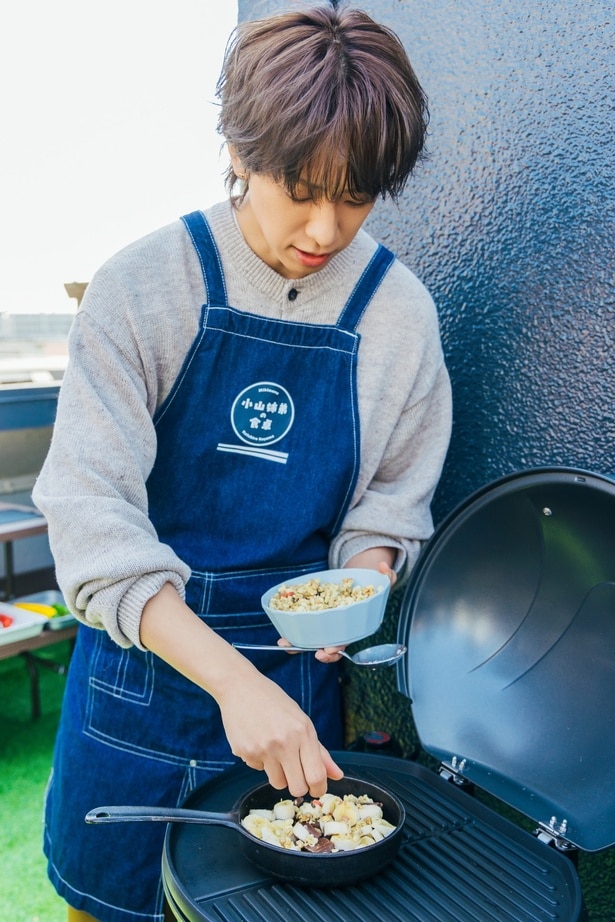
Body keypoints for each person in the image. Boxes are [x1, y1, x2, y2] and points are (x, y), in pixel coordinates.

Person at [32, 5, 452, 921]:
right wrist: (230, 681)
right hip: (139, 686)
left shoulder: (399, 316)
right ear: (240, 151)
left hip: (297, 685)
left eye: (356, 195)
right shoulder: (143, 287)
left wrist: (361, 582)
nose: (325, 226)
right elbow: (92, 518)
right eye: (300, 187)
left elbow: (389, 501)